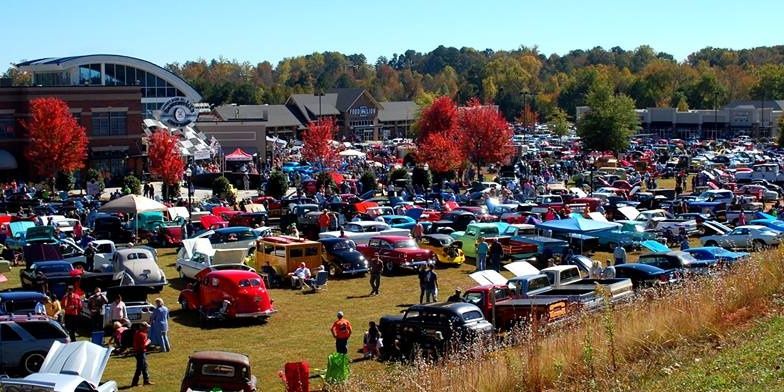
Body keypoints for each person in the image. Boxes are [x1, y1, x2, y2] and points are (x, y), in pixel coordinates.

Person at [131, 322, 153, 387]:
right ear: (142, 327)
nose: (147, 329)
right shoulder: (142, 334)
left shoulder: (138, 333)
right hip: (140, 352)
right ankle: (134, 383)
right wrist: (149, 341)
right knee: (139, 368)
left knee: (144, 366)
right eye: (146, 327)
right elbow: (143, 345)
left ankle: (146, 380)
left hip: (138, 352)